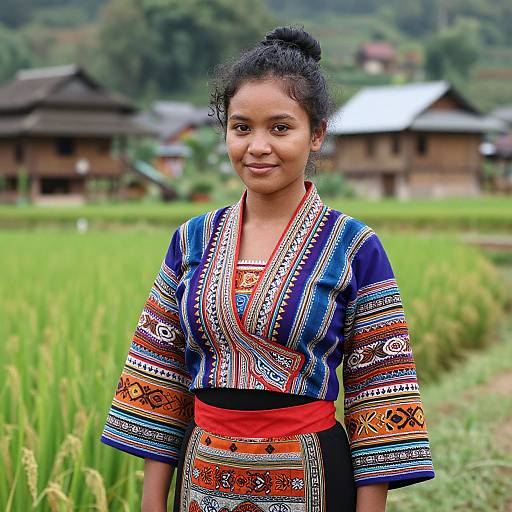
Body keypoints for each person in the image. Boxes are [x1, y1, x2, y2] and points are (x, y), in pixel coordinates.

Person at [100, 25, 435, 512]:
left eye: (280, 128)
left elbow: (380, 394)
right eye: (242, 127)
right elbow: (157, 382)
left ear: (316, 134)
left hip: (310, 480)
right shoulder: (191, 240)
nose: (257, 146)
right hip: (201, 482)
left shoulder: (354, 247)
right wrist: (153, 504)